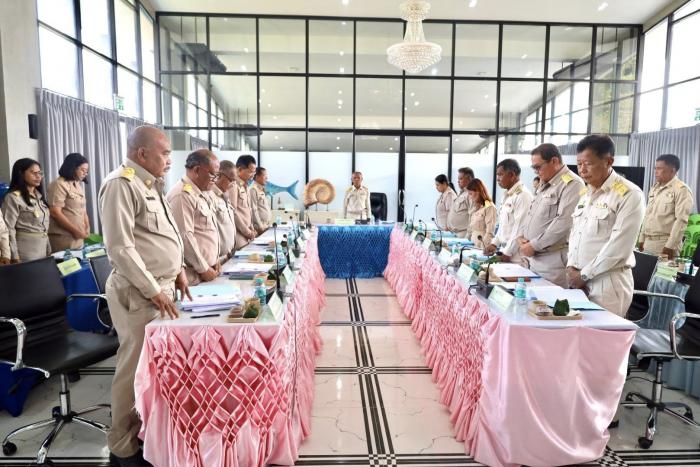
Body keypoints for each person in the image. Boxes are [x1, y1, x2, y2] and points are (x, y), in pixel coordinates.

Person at [99, 126, 189, 467]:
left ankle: (147, 433)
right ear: (142, 154)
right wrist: (153, 289)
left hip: (161, 289)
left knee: (155, 368)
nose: (169, 159)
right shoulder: (121, 184)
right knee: (134, 367)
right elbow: (120, 248)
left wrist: (179, 269)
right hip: (139, 292)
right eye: (164, 153)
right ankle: (122, 446)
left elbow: (165, 236)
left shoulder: (150, 184)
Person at [567, 135, 644, 317]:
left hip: (607, 282)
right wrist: (571, 267)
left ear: (608, 162)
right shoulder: (586, 193)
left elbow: (619, 247)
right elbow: (576, 234)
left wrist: (584, 275)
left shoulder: (629, 194)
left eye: (588, 164)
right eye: (579, 164)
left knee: (601, 334)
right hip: (578, 280)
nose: (582, 170)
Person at [517, 143, 584, 287]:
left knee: (547, 301)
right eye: (533, 168)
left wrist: (534, 245)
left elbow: (563, 222)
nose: (536, 172)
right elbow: (531, 214)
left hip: (552, 262)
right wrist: (521, 236)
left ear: (554, 161)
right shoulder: (545, 182)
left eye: (538, 167)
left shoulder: (572, 184)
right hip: (532, 259)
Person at [167, 149, 221, 286]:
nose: (215, 181)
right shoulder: (182, 195)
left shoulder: (201, 193)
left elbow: (208, 231)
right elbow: (185, 236)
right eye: (213, 175)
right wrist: (204, 268)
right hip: (194, 275)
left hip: (208, 271)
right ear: (197, 170)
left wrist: (215, 259)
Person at [638, 154, 694, 259]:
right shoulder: (654, 188)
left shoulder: (681, 190)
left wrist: (670, 246)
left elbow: (681, 220)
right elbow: (648, 215)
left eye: (659, 168)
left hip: (665, 244)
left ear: (672, 170)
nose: (656, 172)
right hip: (648, 242)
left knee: (662, 271)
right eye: (655, 168)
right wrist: (641, 238)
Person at [1, 158, 51, 262]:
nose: (38, 176)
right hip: (25, 253)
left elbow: (43, 229)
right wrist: (14, 256)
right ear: (21, 174)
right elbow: (9, 229)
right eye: (33, 173)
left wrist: (48, 249)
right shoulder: (13, 197)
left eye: (40, 173)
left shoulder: (39, 196)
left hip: (43, 250)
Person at [484, 159, 533, 263]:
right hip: (504, 250)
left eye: (500, 175)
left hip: (516, 255)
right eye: (497, 175)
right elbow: (503, 225)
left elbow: (520, 228)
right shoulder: (507, 195)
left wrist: (507, 253)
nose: (497, 179)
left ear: (512, 175)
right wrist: (494, 244)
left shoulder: (523, 195)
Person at [47, 153, 90, 252]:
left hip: (78, 236)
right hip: (63, 237)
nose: (85, 174)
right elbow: (55, 212)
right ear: (73, 168)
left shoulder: (77, 185)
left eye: (86, 171)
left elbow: (83, 210)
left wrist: (87, 227)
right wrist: (75, 231)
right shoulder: (58, 184)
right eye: (83, 170)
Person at [229, 155, 257, 249]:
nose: (253, 176)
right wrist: (247, 232)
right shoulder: (233, 185)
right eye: (250, 172)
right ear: (240, 169)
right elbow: (233, 212)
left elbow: (248, 210)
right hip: (239, 234)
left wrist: (251, 228)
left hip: (248, 233)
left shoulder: (246, 186)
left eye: (254, 172)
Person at [211, 160, 237, 263]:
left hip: (228, 255)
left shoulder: (224, 196)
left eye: (235, 181)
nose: (233, 185)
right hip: (217, 259)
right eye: (231, 180)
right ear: (219, 175)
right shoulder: (210, 196)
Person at [466, 178, 497, 249]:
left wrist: (483, 248)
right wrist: (464, 243)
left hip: (481, 246)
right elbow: (470, 229)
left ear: (478, 192)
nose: (470, 197)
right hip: (472, 245)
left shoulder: (489, 206)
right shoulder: (476, 207)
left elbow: (490, 232)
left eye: (471, 194)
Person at [447, 167, 475, 238]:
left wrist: (468, 236)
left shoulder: (471, 194)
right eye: (458, 179)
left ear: (469, 179)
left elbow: (473, 216)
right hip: (455, 233)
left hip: (464, 234)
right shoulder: (462, 193)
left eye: (460, 179)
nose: (458, 181)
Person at [249, 166, 271, 234]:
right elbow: (254, 210)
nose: (267, 178)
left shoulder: (261, 189)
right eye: (264, 175)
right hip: (260, 228)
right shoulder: (253, 189)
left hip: (265, 226)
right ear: (257, 177)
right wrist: (260, 227)